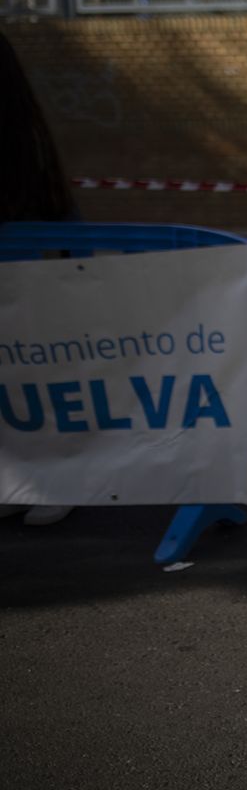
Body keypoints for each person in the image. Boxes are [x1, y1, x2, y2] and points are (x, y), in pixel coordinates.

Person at [0, 32, 79, 526]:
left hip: (29, 261)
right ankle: (20, 477)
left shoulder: (20, 144)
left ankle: (57, 478)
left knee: (34, 367)